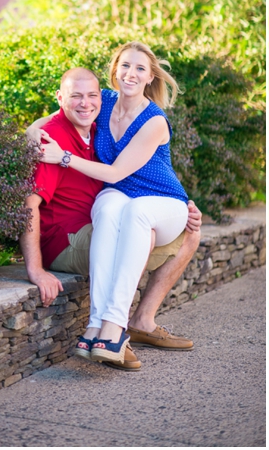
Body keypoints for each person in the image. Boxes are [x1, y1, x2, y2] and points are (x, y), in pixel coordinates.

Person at [21, 63, 201, 371]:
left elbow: (128, 171)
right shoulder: (52, 141)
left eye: (91, 96)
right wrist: (35, 270)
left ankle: (138, 322)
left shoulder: (98, 117)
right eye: (76, 97)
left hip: (92, 225)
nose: (86, 103)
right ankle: (114, 332)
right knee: (146, 230)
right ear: (60, 98)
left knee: (176, 227)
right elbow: (28, 205)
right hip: (66, 241)